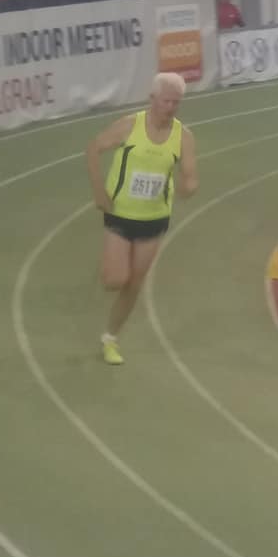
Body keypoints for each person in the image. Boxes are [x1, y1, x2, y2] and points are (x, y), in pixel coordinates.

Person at [86, 72, 198, 365]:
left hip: (154, 218)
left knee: (134, 283)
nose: (171, 107)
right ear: (152, 99)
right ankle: (108, 269)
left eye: (176, 102)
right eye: (166, 101)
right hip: (121, 214)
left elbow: (189, 174)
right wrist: (99, 191)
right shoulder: (129, 126)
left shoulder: (183, 136)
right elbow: (93, 149)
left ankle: (110, 339)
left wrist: (189, 186)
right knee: (115, 280)